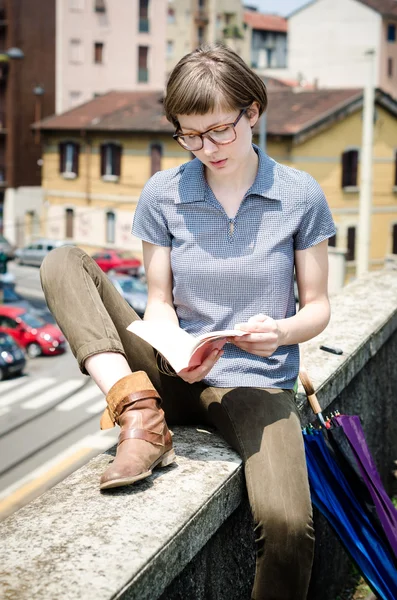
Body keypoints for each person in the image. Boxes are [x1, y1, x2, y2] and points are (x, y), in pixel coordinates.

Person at [40, 43, 336, 600]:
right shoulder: (164, 192)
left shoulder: (300, 195)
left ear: (252, 111)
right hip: (174, 371)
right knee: (62, 261)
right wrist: (177, 350)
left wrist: (280, 330)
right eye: (190, 135)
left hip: (255, 380)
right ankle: (138, 410)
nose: (208, 148)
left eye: (220, 130)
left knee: (289, 528)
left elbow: (317, 307)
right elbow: (159, 300)